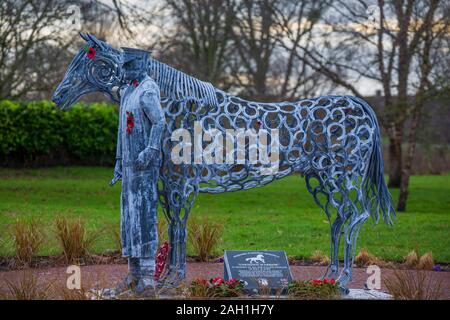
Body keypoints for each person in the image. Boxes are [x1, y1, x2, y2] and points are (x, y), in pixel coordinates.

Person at [110, 47, 165, 295]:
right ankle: (133, 275)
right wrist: (119, 161)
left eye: (128, 65)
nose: (123, 70)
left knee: (143, 219)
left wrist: (151, 150)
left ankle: (147, 278)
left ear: (140, 64)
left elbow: (160, 122)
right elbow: (123, 131)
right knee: (129, 220)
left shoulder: (147, 89)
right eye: (123, 65)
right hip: (129, 169)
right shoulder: (128, 91)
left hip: (144, 168)